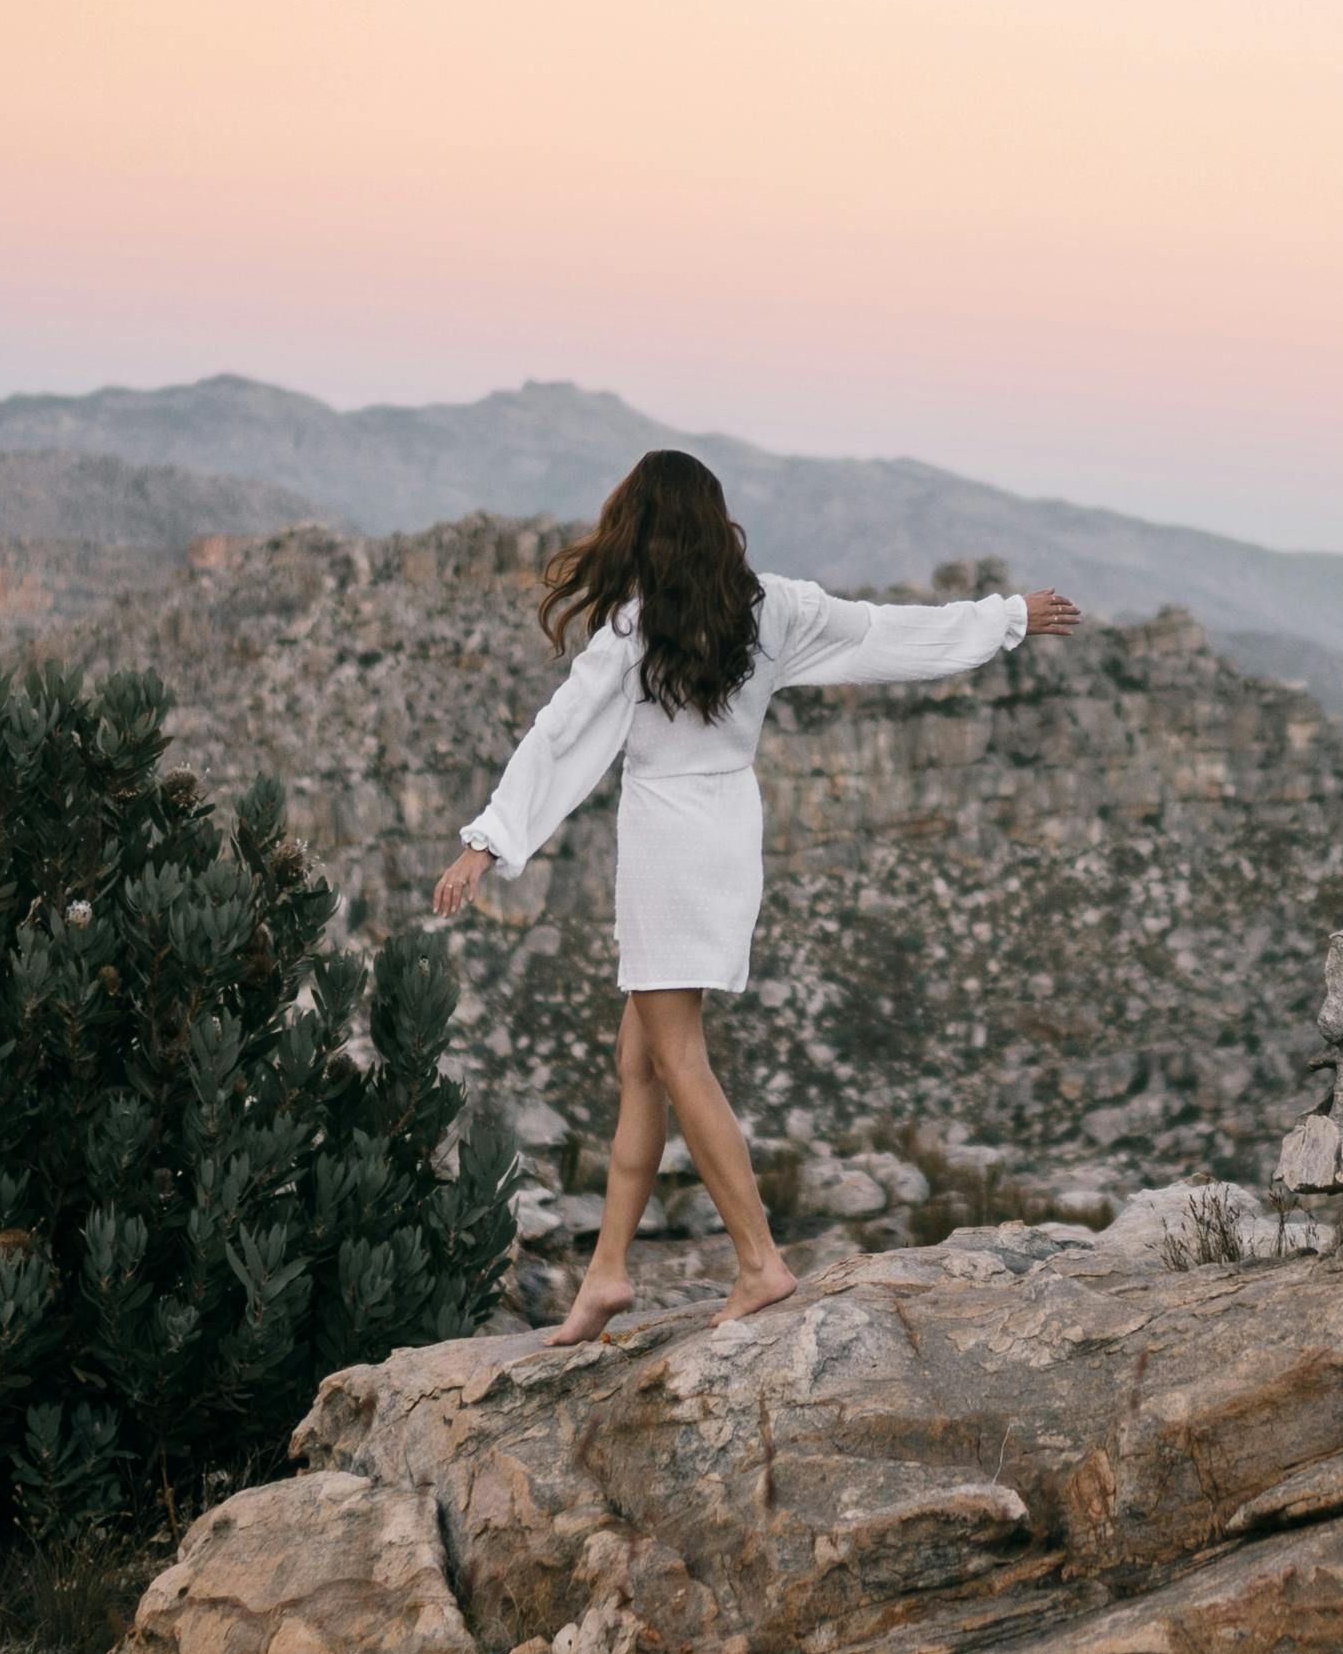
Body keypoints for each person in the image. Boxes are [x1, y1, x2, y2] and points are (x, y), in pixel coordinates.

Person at [431, 450, 1077, 1341]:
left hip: (664, 842)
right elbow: (882, 633)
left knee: (679, 1058)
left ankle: (758, 1260)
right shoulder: (773, 608)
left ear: (641, 527)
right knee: (640, 1061)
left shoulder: (632, 627)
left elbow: (560, 734)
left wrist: (484, 840)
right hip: (729, 832)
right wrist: (1005, 618)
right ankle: (608, 1273)